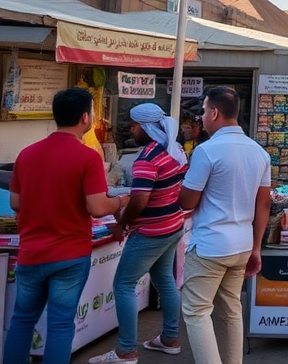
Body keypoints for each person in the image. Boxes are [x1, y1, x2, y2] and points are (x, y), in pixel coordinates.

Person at [4, 88, 128, 364]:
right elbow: (97, 206)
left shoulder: (27, 154)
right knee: (61, 324)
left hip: (32, 253)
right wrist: (119, 202)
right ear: (85, 118)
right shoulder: (87, 157)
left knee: (22, 321)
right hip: (70, 255)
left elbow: (16, 203)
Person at [179, 86, 272, 364]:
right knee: (231, 309)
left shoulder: (207, 151)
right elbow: (263, 205)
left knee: (197, 311)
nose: (203, 118)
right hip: (242, 245)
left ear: (215, 113)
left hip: (209, 246)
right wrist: (256, 249)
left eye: (205, 112)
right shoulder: (258, 152)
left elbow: (187, 201)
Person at [90, 104, 189, 364]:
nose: (131, 130)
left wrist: (121, 224)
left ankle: (126, 351)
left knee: (123, 284)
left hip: (151, 231)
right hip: (172, 225)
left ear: (146, 127)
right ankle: (170, 338)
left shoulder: (147, 158)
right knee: (165, 281)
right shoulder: (175, 150)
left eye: (134, 126)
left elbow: (139, 201)